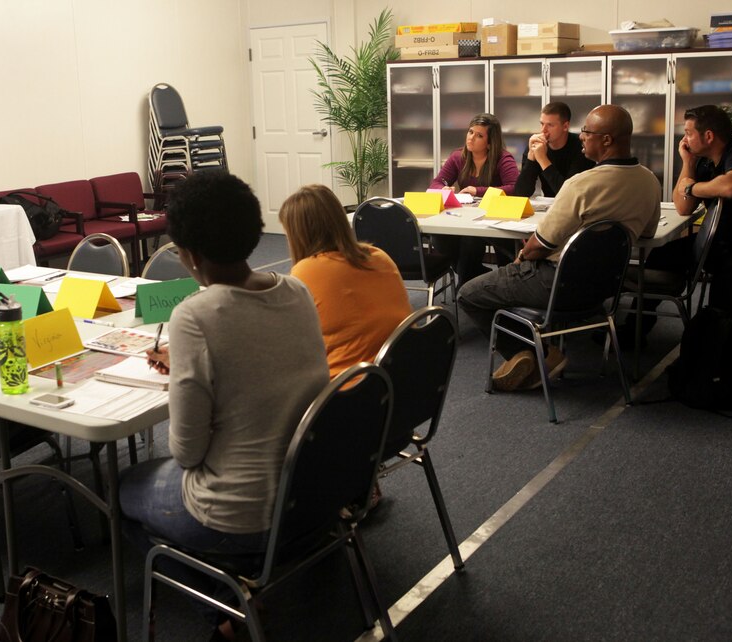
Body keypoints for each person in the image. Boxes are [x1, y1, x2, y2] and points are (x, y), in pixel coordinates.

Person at [118, 171, 329, 641]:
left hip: (240, 515)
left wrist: (191, 382)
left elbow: (187, 454)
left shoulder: (195, 316)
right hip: (312, 496)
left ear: (188, 253)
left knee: (122, 494)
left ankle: (224, 611)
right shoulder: (295, 290)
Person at [457, 105, 661, 392]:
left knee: (468, 293)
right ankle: (534, 352)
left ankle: (532, 352)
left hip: (556, 283)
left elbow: (540, 245)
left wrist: (521, 257)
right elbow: (646, 234)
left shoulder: (581, 184)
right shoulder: (649, 181)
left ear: (606, 140)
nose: (582, 138)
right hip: (604, 289)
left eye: (587, 132)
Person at [623, 104, 732, 345]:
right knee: (662, 255)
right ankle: (635, 331)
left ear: (708, 136)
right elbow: (683, 207)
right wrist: (687, 163)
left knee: (729, 269)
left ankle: (714, 347)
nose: (684, 139)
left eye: (688, 133)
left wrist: (691, 187)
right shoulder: (705, 163)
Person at [279, 184, 412, 377]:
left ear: (299, 235)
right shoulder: (378, 256)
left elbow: (291, 346)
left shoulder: (306, 271)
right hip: (400, 375)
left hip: (347, 389)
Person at [429, 113, 520, 282]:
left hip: (495, 218)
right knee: (438, 237)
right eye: (470, 132)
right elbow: (435, 183)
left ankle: (469, 279)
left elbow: (514, 187)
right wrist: (444, 188)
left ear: (490, 142)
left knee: (470, 240)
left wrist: (477, 190)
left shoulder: (502, 158)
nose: (471, 138)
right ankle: (478, 275)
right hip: (465, 217)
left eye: (479, 135)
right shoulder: (458, 157)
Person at [513, 101, 595, 198]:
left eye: (550, 125)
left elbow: (569, 195)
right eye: (542, 124)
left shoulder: (582, 147)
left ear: (565, 126)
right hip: (549, 206)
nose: (543, 130)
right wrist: (531, 157)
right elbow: (521, 193)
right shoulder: (537, 146)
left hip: (579, 207)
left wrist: (543, 159)